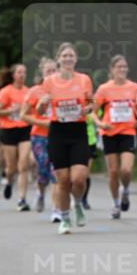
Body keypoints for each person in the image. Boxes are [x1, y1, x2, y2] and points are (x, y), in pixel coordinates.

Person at [37, 42, 93, 234]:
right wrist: (42, 104)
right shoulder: (49, 81)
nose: (68, 58)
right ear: (58, 59)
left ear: (76, 59)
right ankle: (65, 218)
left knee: (78, 178)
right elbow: (40, 109)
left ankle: (77, 203)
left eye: (71, 55)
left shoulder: (84, 79)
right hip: (58, 132)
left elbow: (90, 102)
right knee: (63, 180)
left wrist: (88, 108)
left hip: (78, 131)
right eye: (64, 56)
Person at [93, 55, 137, 219]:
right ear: (112, 70)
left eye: (124, 67)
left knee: (126, 169)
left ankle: (126, 190)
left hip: (128, 132)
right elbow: (93, 113)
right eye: (118, 67)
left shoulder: (134, 87)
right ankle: (116, 203)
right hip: (109, 133)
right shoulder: (103, 89)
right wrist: (100, 124)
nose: (122, 69)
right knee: (114, 172)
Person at [20, 57, 59, 217]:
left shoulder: (63, 89)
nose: (50, 74)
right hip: (39, 136)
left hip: (58, 136)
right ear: (42, 73)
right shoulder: (35, 91)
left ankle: (56, 210)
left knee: (56, 171)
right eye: (47, 71)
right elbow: (23, 115)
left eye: (53, 70)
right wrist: (43, 123)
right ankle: (40, 193)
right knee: (43, 169)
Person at [0, 63, 32, 210]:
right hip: (8, 131)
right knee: (11, 168)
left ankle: (22, 199)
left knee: (23, 165)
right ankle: (9, 182)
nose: (22, 75)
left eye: (24, 72)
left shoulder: (28, 91)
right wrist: (11, 110)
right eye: (19, 72)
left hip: (24, 130)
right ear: (13, 75)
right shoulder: (5, 91)